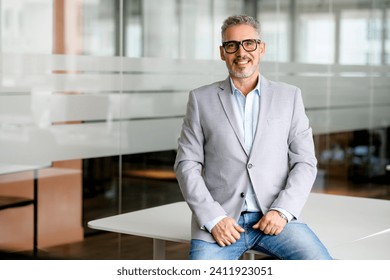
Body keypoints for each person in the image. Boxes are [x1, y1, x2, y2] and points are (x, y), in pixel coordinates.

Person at [174, 15, 332, 260]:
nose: (241, 52)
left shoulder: (289, 96)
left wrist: (282, 211)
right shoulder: (200, 99)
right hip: (221, 223)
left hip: (275, 218)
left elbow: (305, 161)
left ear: (261, 48)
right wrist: (214, 218)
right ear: (222, 52)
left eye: (249, 43)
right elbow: (187, 165)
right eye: (232, 45)